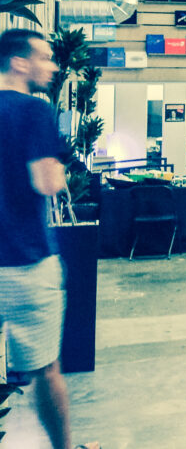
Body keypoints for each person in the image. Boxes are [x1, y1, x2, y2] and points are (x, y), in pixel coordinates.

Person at [0, 29, 94, 449]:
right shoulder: (33, 110)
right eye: (44, 58)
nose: (54, 67)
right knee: (46, 369)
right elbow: (48, 183)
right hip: (25, 262)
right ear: (19, 63)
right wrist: (59, 165)